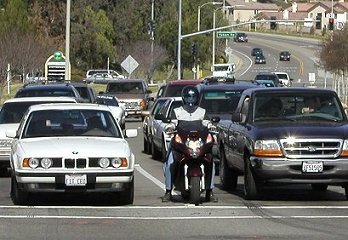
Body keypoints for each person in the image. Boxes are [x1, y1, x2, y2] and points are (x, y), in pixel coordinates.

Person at [162, 86, 218, 202]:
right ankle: (168, 191)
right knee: (170, 162)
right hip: (182, 143)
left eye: (193, 97)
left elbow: (207, 123)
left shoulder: (202, 112)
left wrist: (212, 126)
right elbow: (172, 123)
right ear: (183, 98)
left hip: (198, 143)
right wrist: (169, 127)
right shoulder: (177, 111)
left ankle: (210, 191)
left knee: (211, 161)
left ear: (197, 98)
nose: (190, 100)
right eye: (188, 97)